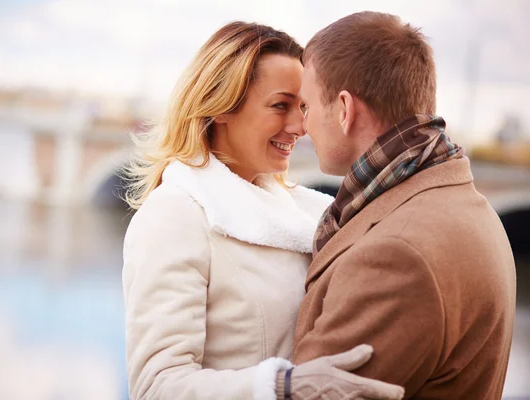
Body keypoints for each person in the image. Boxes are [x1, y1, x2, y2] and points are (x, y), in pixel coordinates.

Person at [122, 21, 404, 400]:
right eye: (280, 106)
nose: (298, 126)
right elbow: (156, 386)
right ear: (220, 106)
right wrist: (283, 387)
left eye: (302, 107)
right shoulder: (175, 216)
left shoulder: (308, 212)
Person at [275, 11, 517, 400]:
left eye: (306, 106)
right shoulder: (459, 200)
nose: (302, 126)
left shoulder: (395, 256)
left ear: (343, 109)